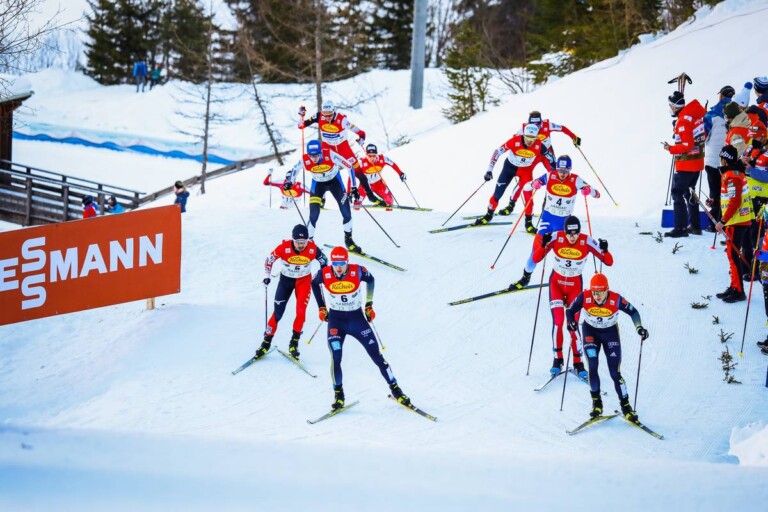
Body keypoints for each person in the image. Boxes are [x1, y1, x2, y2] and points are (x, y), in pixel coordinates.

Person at [513, 215, 613, 376]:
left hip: (575, 287)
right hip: (557, 285)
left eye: (575, 233)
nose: (572, 237)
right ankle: (557, 359)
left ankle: (578, 362)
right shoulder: (555, 237)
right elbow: (536, 258)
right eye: (569, 233)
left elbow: (608, 261)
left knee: (572, 324)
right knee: (558, 321)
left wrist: (604, 249)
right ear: (564, 231)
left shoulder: (586, 241)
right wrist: (543, 245)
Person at [311, 246, 410, 410]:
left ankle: (396, 389)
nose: (338, 267)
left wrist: (369, 304)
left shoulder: (357, 271)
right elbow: (314, 284)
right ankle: (339, 395)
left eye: (342, 263)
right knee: (336, 357)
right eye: (335, 264)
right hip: (336, 321)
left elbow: (371, 280)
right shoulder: (324, 273)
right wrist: (321, 307)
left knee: (376, 356)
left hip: (356, 319)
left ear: (347, 262)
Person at [566, 273, 649, 422]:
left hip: (610, 334)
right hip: (590, 332)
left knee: (615, 372)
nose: (597, 296)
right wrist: (571, 322)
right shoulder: (584, 296)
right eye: (594, 292)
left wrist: (639, 328)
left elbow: (633, 311)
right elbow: (569, 311)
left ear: (607, 290)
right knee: (592, 366)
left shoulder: (616, 299)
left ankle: (626, 406)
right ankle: (597, 404)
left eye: (600, 292)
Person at [518, 154, 601, 276]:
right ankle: (525, 277)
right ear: (556, 168)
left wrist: (589, 190)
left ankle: (560, 279)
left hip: (563, 223)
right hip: (547, 220)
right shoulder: (549, 176)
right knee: (535, 252)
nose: (562, 174)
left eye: (566, 171)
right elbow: (525, 187)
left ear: (570, 170)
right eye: (560, 170)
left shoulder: (576, 179)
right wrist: (534, 184)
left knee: (564, 253)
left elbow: (597, 194)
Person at [255, 224, 328, 360]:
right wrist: (266, 276)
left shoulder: (312, 248)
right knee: (278, 313)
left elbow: (324, 260)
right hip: (286, 281)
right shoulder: (284, 247)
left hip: (303, 282)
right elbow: (269, 259)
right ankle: (266, 342)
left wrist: (322, 274)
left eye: (304, 242)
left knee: (301, 312)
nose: (301, 245)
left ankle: (294, 343)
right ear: (293, 240)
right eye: (298, 242)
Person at [284, 139, 363, 253]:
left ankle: (349, 240)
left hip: (335, 183)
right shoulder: (304, 159)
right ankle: (309, 243)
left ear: (321, 152)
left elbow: (349, 166)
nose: (314, 158)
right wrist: (290, 182)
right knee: (314, 215)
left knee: (346, 213)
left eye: (317, 155)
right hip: (318, 185)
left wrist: (354, 187)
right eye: (311, 156)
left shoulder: (330, 154)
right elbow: (295, 169)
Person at [299, 101, 382, 205]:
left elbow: (361, 133)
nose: (327, 118)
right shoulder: (319, 116)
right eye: (325, 115)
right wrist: (301, 116)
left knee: (358, 171)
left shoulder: (342, 120)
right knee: (321, 170)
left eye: (330, 115)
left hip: (343, 148)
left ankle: (370, 196)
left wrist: (361, 139)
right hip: (327, 148)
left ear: (334, 112)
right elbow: (301, 126)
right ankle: (321, 200)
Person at [475, 123, 553, 232]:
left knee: (528, 197)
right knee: (498, 193)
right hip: (509, 168)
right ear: (523, 135)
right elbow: (497, 152)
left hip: (525, 171)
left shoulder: (539, 145)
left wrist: (555, 167)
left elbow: (550, 157)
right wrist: (489, 170)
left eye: (533, 138)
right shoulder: (515, 141)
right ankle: (488, 215)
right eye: (527, 138)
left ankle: (528, 223)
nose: (530, 141)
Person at [663, 91, 706, 237]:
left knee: (677, 193)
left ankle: (680, 228)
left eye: (670, 105)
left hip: (687, 163)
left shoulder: (683, 121)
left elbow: (687, 145)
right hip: (697, 162)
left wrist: (671, 148)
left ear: (675, 106)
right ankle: (695, 225)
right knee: (689, 193)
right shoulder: (695, 116)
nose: (670, 108)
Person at [714, 145, 754, 303]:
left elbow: (735, 201)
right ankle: (734, 286)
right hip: (738, 219)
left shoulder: (731, 176)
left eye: (721, 158)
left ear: (725, 159)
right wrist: (715, 202)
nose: (720, 160)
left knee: (732, 254)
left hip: (736, 221)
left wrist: (722, 222)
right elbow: (730, 198)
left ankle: (738, 290)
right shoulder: (734, 172)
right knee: (732, 254)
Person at [703, 86, 736, 228]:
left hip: (712, 159)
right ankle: (725, 221)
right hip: (728, 160)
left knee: (714, 192)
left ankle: (714, 223)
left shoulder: (711, 115)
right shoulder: (735, 113)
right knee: (726, 192)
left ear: (721, 96)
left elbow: (704, 135)